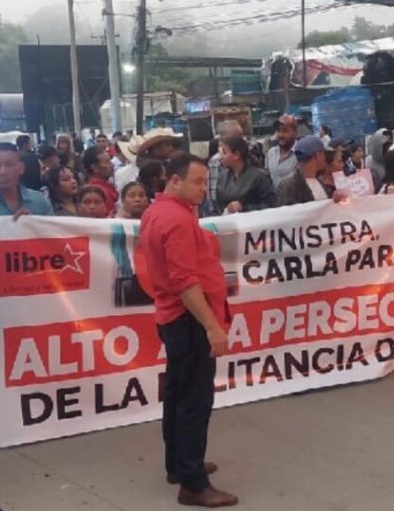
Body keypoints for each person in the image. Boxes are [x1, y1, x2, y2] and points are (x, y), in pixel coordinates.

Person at [137, 153, 238, 507]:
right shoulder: (176, 219)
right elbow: (184, 281)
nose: (202, 188)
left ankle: (179, 465)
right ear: (174, 180)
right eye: (196, 181)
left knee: (179, 395)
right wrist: (212, 326)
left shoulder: (162, 211)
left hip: (174, 317)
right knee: (194, 401)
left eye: (204, 181)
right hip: (189, 320)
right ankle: (193, 482)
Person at [0, 142, 53, 217]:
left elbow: (51, 233)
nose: (3, 172)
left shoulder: (40, 202)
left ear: (21, 168)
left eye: (9, 165)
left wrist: (31, 224)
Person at [276, 136, 346, 206]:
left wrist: (334, 200)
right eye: (323, 153)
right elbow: (287, 214)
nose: (325, 157)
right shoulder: (288, 186)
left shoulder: (319, 181)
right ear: (317, 155)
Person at [216, 136, 276, 214]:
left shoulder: (259, 176)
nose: (220, 156)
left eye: (224, 152)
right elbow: (217, 205)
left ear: (236, 155)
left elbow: (271, 204)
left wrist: (244, 208)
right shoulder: (222, 177)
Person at [205, 121, 244, 216]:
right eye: (238, 135)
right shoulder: (216, 161)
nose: (243, 138)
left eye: (242, 134)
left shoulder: (247, 156)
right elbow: (213, 195)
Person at [82, 146, 118, 213]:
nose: (112, 164)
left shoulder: (105, 185)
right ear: (95, 168)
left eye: (110, 161)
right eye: (107, 162)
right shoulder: (98, 191)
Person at [266, 115, 298, 186]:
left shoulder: (301, 154)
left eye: (285, 130)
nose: (280, 135)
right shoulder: (271, 153)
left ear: (296, 133)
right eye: (278, 130)